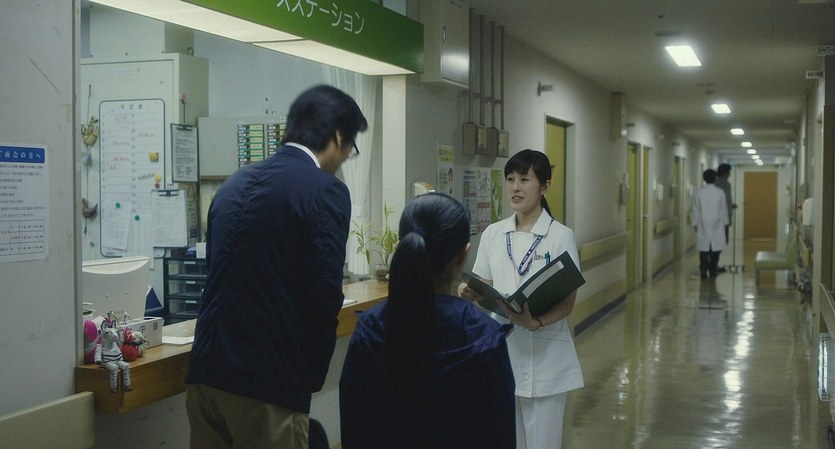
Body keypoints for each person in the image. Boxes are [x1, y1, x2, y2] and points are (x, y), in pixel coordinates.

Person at [185, 84, 368, 449]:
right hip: (267, 386)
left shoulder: (234, 183)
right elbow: (322, 295)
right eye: (350, 148)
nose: (345, 157)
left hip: (205, 375)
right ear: (337, 137)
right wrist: (306, 378)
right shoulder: (324, 190)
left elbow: (219, 272)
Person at [340, 193, 516, 449]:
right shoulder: (484, 337)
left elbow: (353, 427)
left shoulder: (371, 328)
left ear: (400, 248)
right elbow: (500, 435)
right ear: (462, 257)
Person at [458, 149, 584, 449]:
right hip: (503, 351)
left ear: (544, 186)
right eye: (511, 179)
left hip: (547, 358)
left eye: (525, 180)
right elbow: (484, 286)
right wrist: (468, 292)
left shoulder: (561, 236)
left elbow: (567, 302)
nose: (515, 187)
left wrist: (535, 322)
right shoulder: (493, 234)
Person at [692, 168, 729, 279]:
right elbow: (724, 209)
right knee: (715, 249)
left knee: (703, 250)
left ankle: (703, 271)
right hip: (717, 224)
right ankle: (712, 270)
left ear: (704, 179)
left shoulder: (699, 193)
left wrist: (695, 223)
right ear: (715, 178)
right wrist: (726, 223)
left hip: (703, 223)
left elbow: (696, 210)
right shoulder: (720, 192)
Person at [714, 163, 736, 272]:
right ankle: (713, 264)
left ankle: (713, 264)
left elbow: (724, 201)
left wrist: (731, 205)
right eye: (729, 173)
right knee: (721, 241)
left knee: (718, 242)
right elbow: (725, 201)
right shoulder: (725, 185)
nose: (730, 175)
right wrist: (729, 217)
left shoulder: (716, 184)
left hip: (716, 218)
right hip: (722, 219)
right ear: (725, 173)